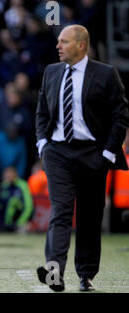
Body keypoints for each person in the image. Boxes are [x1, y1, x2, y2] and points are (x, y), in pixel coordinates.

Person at [35, 25, 129, 292]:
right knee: (61, 211)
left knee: (89, 216)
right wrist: (43, 143)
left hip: (93, 154)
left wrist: (108, 152)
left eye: (64, 42)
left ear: (81, 45)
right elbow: (42, 111)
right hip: (57, 152)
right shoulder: (51, 72)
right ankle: (55, 272)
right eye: (58, 41)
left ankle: (86, 275)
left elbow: (120, 115)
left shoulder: (106, 74)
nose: (58, 46)